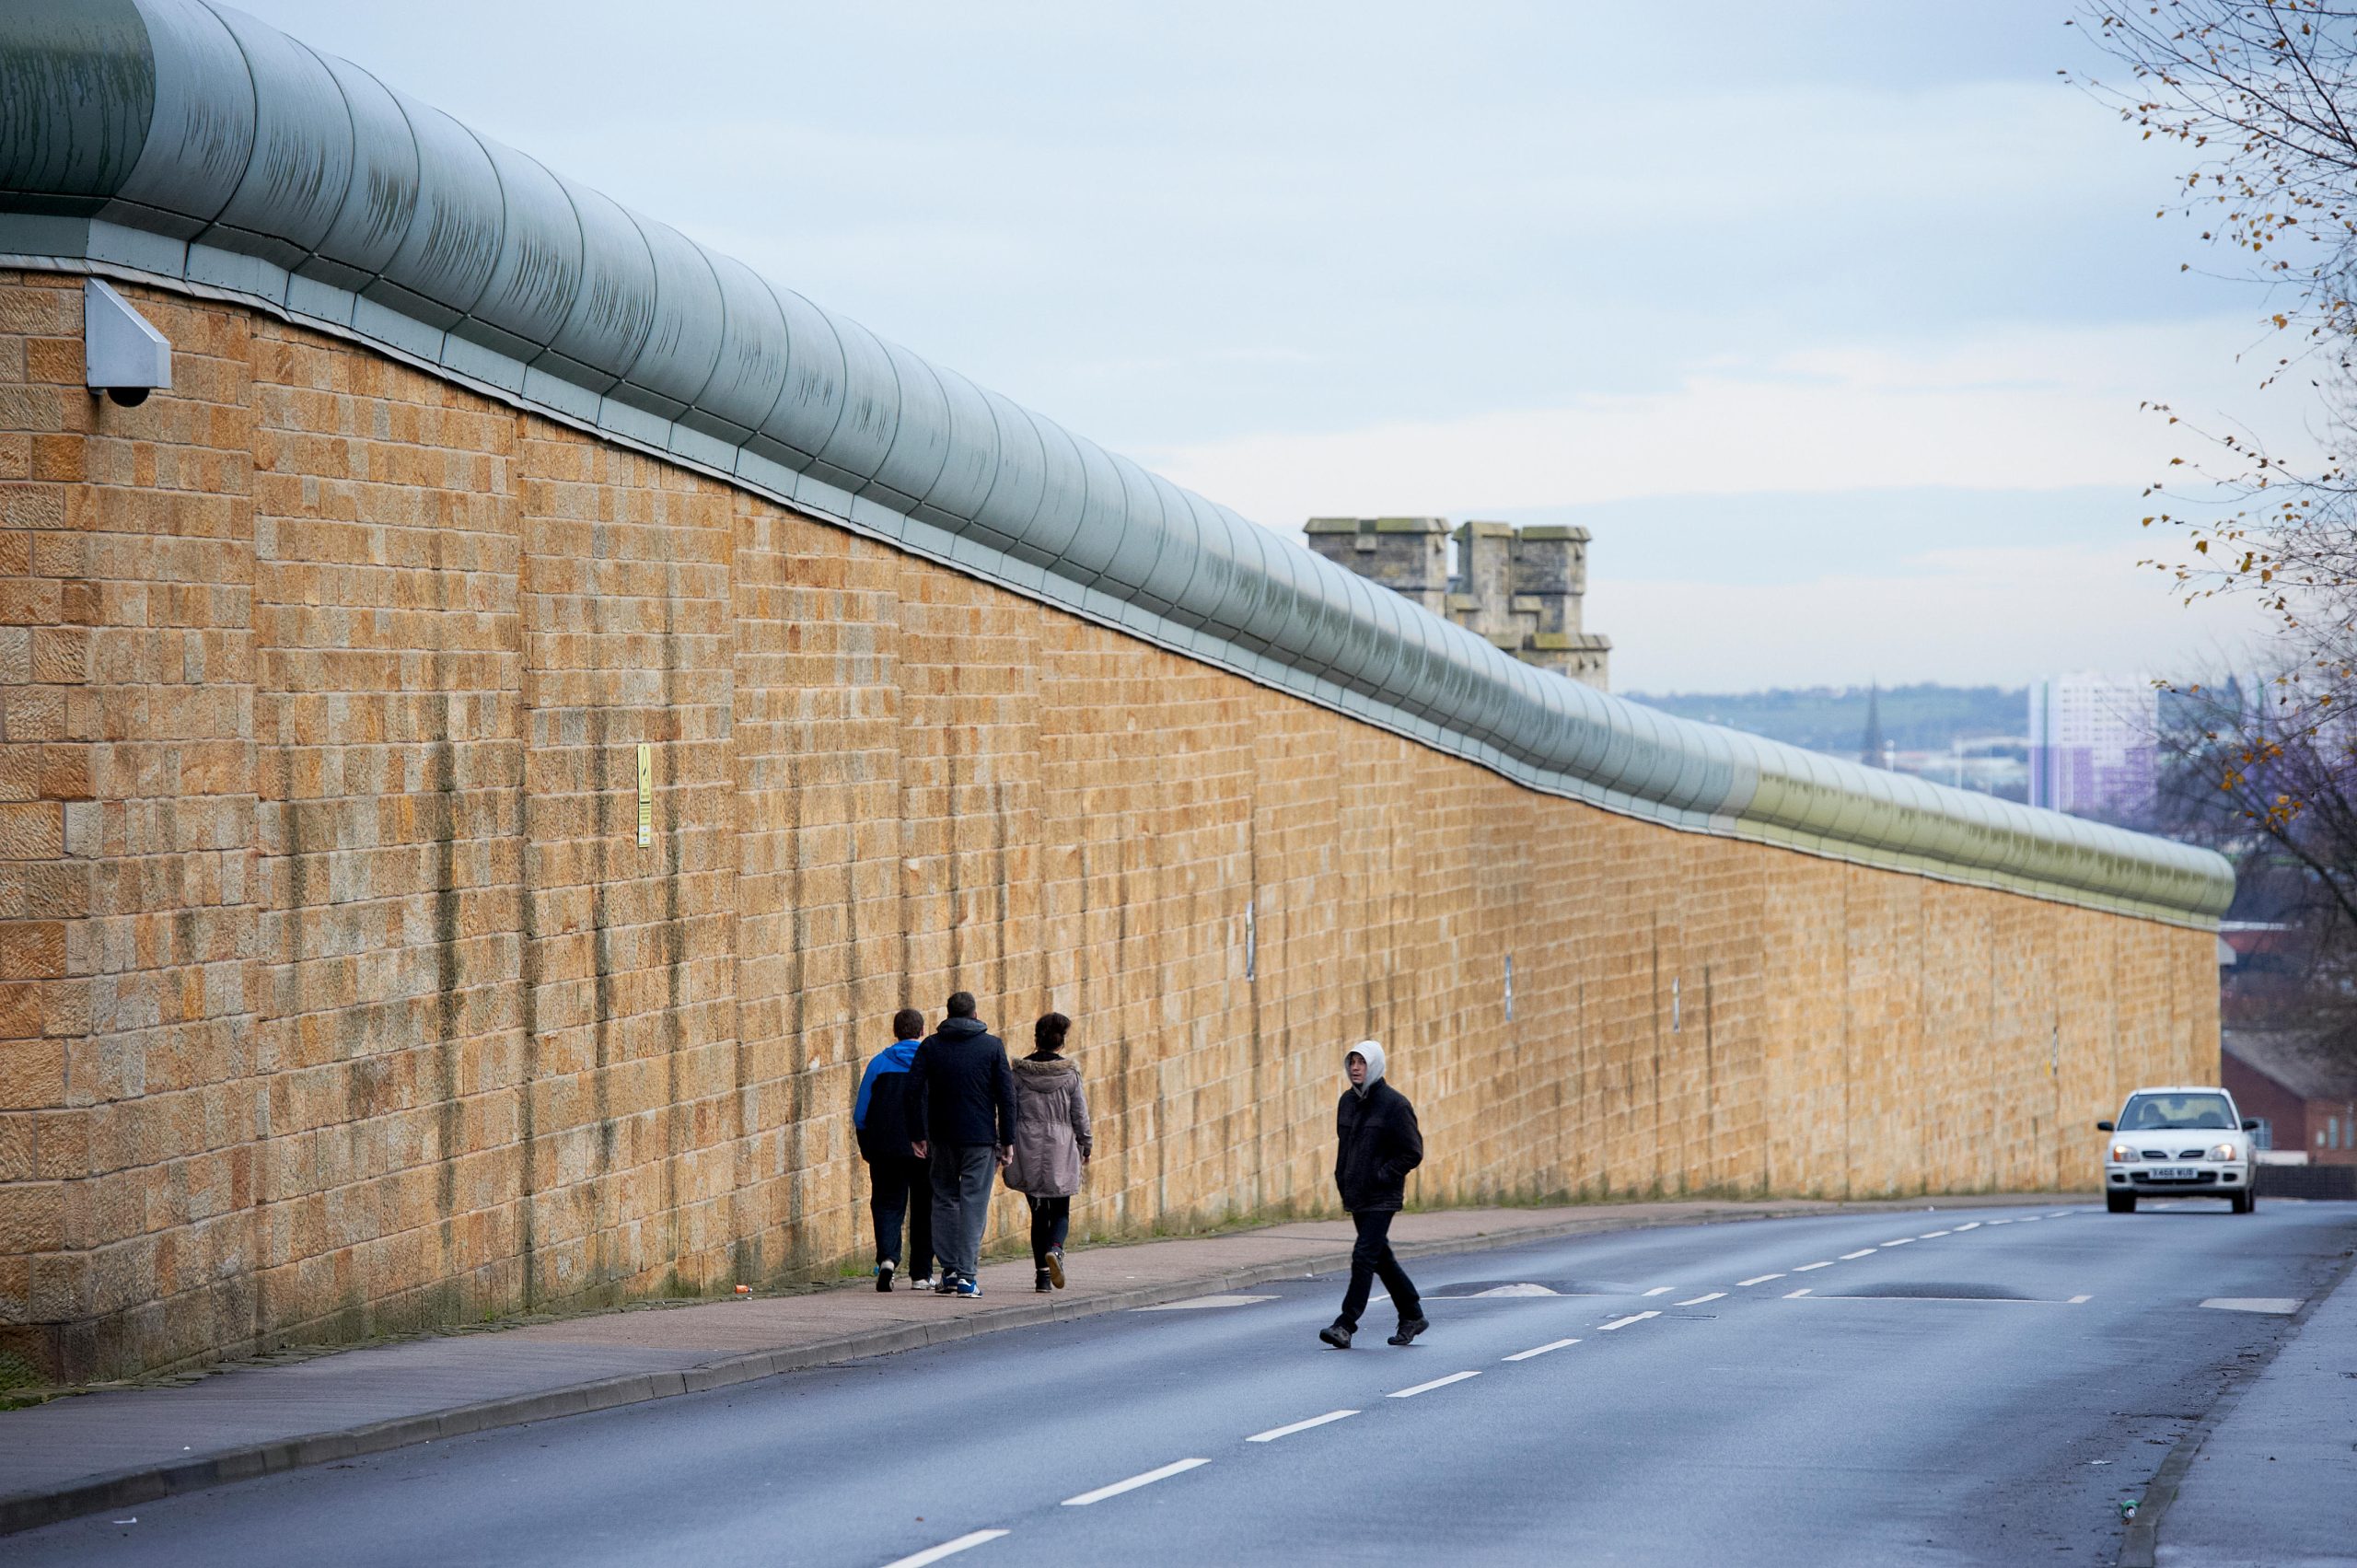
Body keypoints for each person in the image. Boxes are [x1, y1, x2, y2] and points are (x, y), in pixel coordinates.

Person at [903, 992, 1016, 1299]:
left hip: (941, 1137)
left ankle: (950, 1271)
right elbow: (1006, 1096)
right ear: (975, 1015)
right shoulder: (992, 1046)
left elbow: (912, 1090)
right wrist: (1007, 1140)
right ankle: (967, 1276)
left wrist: (918, 1134)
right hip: (980, 1138)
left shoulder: (931, 1046)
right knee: (973, 1204)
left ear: (949, 1014)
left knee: (944, 1200)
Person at [1319, 1040, 1429, 1350]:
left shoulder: (1395, 1105)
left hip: (1382, 1196)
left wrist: (1382, 1175)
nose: (1355, 1068)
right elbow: (1345, 1148)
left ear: (1375, 1065)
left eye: (1362, 1062)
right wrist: (1343, 1178)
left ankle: (1345, 1324)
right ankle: (1412, 1315)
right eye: (1352, 1062)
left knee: (1364, 1256)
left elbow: (1412, 1153)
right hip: (1356, 1194)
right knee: (1381, 1258)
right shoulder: (1347, 1102)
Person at [1004, 1012, 1092, 1293]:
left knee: (1038, 1213)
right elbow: (1080, 1114)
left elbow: (1008, 1110)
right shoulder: (1069, 1075)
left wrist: (1002, 1143)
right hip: (1061, 1149)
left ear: (1036, 1038)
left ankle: (1042, 1277)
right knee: (1061, 1211)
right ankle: (1055, 1249)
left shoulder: (1018, 1073)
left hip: (1027, 1147)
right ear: (1061, 1042)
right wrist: (1086, 1143)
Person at [853, 1008, 935, 1292]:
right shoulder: (931, 1064)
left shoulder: (879, 1064)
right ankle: (922, 1274)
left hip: (886, 1148)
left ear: (895, 1032)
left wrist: (867, 1145)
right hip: (924, 1148)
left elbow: (861, 1113)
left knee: (887, 1204)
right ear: (922, 1031)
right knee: (925, 1208)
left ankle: (887, 1259)